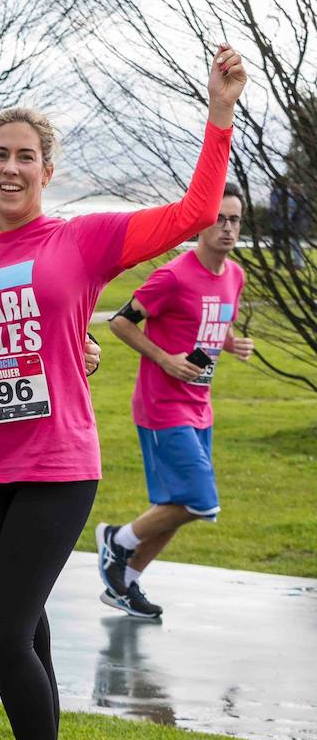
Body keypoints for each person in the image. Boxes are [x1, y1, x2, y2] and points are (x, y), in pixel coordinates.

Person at [0, 45, 246, 740]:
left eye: (26, 156)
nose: (10, 168)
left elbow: (194, 214)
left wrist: (220, 114)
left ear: (47, 171)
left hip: (55, 464)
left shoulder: (80, 240)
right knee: (27, 631)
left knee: (0, 631)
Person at [97, 182, 253, 618]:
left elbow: (212, 319)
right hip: (162, 405)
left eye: (234, 219)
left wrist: (233, 342)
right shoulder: (174, 275)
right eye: (218, 218)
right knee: (200, 501)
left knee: (175, 506)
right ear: (202, 224)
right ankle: (117, 540)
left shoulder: (235, 276)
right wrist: (166, 360)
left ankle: (124, 584)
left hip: (200, 405)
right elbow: (121, 323)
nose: (226, 227)